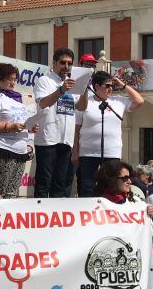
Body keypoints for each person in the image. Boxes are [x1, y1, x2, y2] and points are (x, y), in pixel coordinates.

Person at [72, 71, 144, 197]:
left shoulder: (118, 101)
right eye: (107, 86)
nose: (110, 89)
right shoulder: (85, 102)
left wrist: (123, 85)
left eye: (112, 86)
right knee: (87, 186)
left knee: (112, 185)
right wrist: (75, 151)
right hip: (88, 152)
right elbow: (77, 128)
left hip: (112, 152)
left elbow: (139, 101)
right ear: (97, 87)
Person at [33, 48, 88, 198]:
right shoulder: (45, 80)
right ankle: (41, 216)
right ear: (54, 63)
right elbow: (43, 103)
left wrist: (84, 90)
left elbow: (81, 107)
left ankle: (55, 218)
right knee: (44, 182)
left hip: (66, 139)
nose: (66, 66)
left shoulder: (72, 82)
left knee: (60, 183)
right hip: (48, 139)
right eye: (63, 62)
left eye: (69, 63)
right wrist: (62, 90)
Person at [0, 63, 39, 198]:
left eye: (14, 79)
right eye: (9, 79)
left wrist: (30, 128)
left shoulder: (17, 98)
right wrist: (10, 127)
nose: (13, 82)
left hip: (19, 151)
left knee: (12, 194)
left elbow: (21, 123)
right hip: (1, 150)